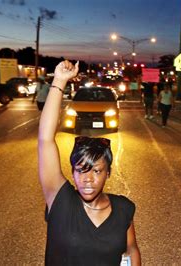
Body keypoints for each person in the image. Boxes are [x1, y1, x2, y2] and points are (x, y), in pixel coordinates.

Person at [37, 60, 141, 265]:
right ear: (73, 173)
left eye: (96, 171)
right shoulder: (61, 203)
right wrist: (59, 81)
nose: (87, 180)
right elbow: (45, 139)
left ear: (108, 173)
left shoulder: (123, 208)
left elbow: (130, 250)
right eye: (81, 170)